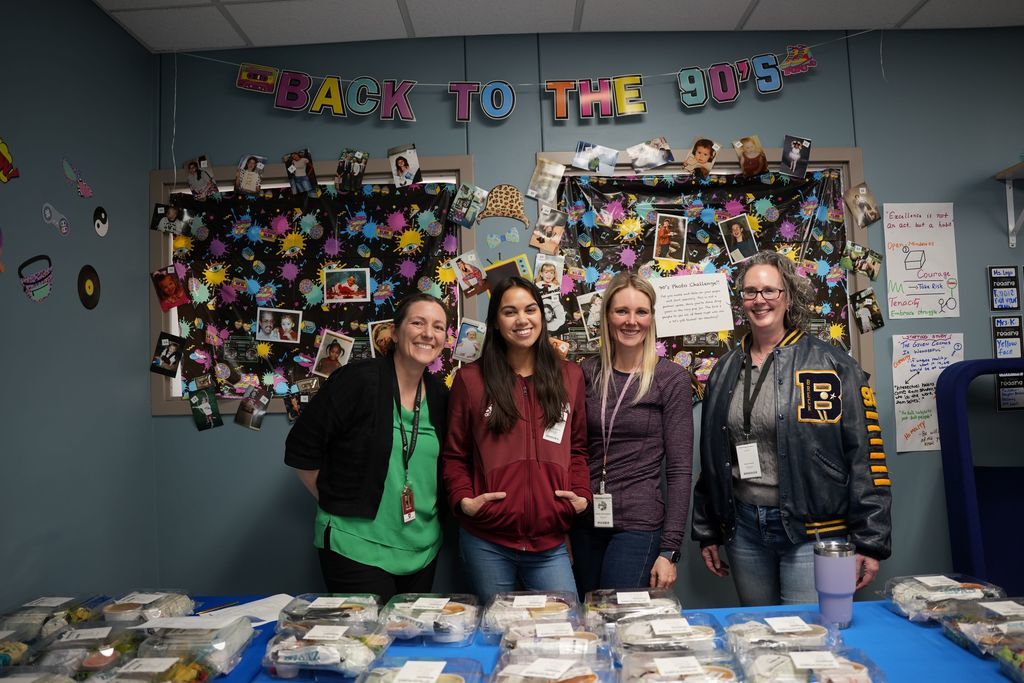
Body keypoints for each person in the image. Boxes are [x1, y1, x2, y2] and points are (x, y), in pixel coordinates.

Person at [691, 250, 892, 606]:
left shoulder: (831, 364)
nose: (760, 300)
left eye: (770, 290)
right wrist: (708, 529)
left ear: (788, 296)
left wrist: (870, 539)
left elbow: (866, 454)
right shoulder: (724, 369)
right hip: (744, 530)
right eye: (750, 291)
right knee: (758, 632)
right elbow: (713, 454)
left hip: (815, 531)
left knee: (812, 633)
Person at [285, 294, 450, 601]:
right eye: (418, 323)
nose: (428, 333)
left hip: (422, 548)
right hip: (356, 545)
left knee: (410, 632)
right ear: (395, 332)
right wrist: (339, 501)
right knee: (367, 633)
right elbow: (301, 448)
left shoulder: (440, 395)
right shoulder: (358, 379)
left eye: (438, 327)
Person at [442, 277, 592, 601]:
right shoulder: (470, 380)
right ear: (496, 322)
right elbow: (455, 455)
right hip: (486, 540)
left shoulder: (570, 376)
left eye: (530, 309)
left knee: (564, 625)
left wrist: (580, 495)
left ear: (541, 316)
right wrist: (465, 501)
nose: (522, 319)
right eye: (510, 312)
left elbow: (578, 448)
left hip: (550, 541)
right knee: (496, 627)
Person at [571, 273, 693, 595]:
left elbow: (680, 470)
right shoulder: (586, 373)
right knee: (586, 615)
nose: (631, 321)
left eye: (641, 312)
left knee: (615, 616)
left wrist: (670, 549)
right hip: (584, 521)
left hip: (639, 525)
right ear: (607, 316)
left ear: (651, 317)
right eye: (621, 311)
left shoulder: (670, 378)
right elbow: (572, 451)